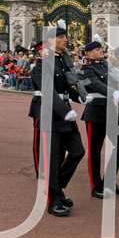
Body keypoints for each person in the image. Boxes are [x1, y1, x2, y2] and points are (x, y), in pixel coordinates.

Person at [28, 28, 87, 217]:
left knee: (78, 151)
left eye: (65, 36)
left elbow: (68, 86)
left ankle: (57, 187)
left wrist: (80, 97)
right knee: (53, 160)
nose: (65, 39)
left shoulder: (63, 60)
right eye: (61, 37)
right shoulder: (44, 62)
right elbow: (47, 90)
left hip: (64, 110)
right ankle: (53, 202)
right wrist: (64, 111)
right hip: (51, 113)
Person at [79, 39, 119, 199]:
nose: (101, 51)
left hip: (112, 111)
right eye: (97, 49)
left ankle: (108, 180)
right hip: (96, 113)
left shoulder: (106, 66)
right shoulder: (86, 69)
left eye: (101, 48)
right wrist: (112, 92)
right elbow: (94, 84)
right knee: (95, 151)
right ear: (88, 53)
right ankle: (96, 186)